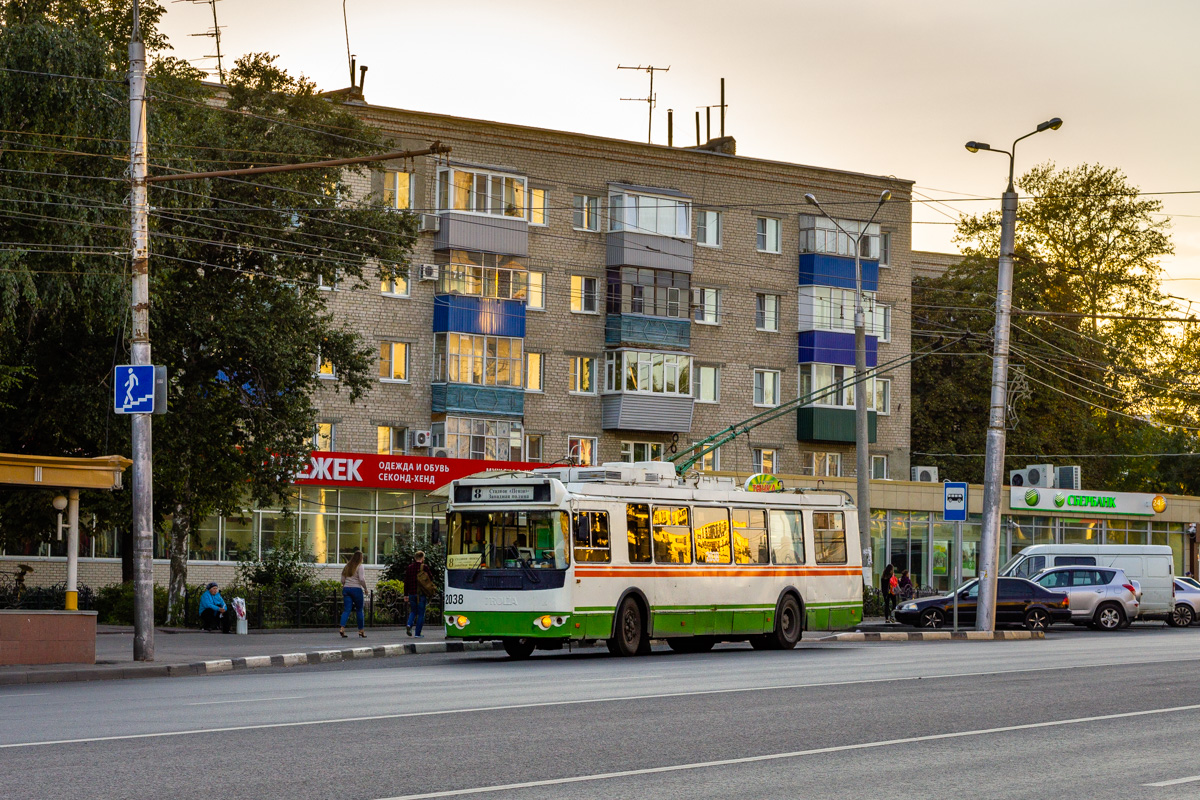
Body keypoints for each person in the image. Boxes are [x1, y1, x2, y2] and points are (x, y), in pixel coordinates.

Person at [405, 550, 436, 637]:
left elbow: (406, 582)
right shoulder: (424, 567)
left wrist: (405, 594)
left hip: (411, 593)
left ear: (415, 558)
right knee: (421, 614)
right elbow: (431, 578)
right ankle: (417, 633)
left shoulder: (409, 567)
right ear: (422, 558)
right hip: (421, 594)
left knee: (413, 611)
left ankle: (409, 624)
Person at [339, 548, 367, 639]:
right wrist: (365, 588)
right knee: (359, 610)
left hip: (346, 589)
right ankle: (361, 630)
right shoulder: (360, 566)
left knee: (347, 610)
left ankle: (342, 628)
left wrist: (346, 585)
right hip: (356, 590)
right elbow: (361, 579)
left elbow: (342, 580)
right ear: (360, 558)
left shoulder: (347, 566)